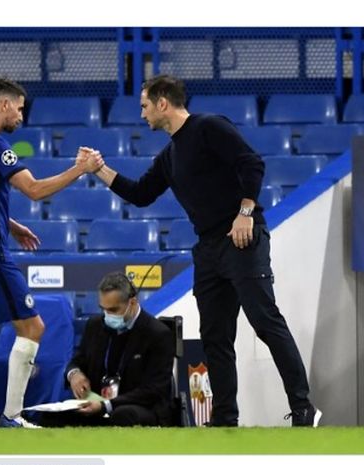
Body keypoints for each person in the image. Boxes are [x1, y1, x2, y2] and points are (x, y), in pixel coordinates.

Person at [83, 75, 321, 427]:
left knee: (265, 322)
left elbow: (252, 164)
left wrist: (246, 213)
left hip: (240, 237)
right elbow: (141, 194)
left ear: (163, 103)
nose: (142, 114)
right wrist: (99, 169)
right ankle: (225, 417)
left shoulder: (209, 127)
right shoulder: (170, 154)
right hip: (208, 248)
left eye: (145, 106)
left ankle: (303, 408)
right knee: (214, 336)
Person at [0, 78, 99, 428]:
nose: (21, 117)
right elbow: (35, 190)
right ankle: (11, 416)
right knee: (33, 327)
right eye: (20, 108)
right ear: (4, 105)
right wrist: (80, 169)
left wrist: (9, 223)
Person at [40, 272, 174, 427]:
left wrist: (107, 405)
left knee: (123, 415)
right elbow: (77, 360)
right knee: (52, 416)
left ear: (133, 302)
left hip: (141, 407)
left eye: (114, 310)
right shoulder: (95, 325)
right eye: (104, 309)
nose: (108, 315)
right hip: (96, 404)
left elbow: (155, 390)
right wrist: (74, 374)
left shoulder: (157, 333)